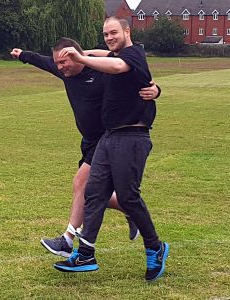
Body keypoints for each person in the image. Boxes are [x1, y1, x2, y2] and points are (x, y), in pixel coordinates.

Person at [10, 38, 161, 258]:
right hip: (89, 140)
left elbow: (134, 76)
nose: (61, 68)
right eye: (58, 64)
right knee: (94, 192)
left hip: (108, 137)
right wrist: (23, 55)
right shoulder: (64, 69)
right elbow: (43, 61)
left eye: (64, 63)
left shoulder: (100, 71)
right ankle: (130, 211)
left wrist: (157, 90)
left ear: (76, 57)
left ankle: (67, 240)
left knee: (81, 183)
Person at [53, 17, 169, 282]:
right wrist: (85, 52)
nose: (109, 37)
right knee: (94, 193)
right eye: (105, 33)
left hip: (132, 135)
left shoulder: (134, 54)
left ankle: (155, 246)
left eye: (113, 32)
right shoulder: (115, 53)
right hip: (109, 136)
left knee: (128, 197)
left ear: (127, 31)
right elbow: (108, 54)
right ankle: (86, 254)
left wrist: (81, 59)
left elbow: (117, 64)